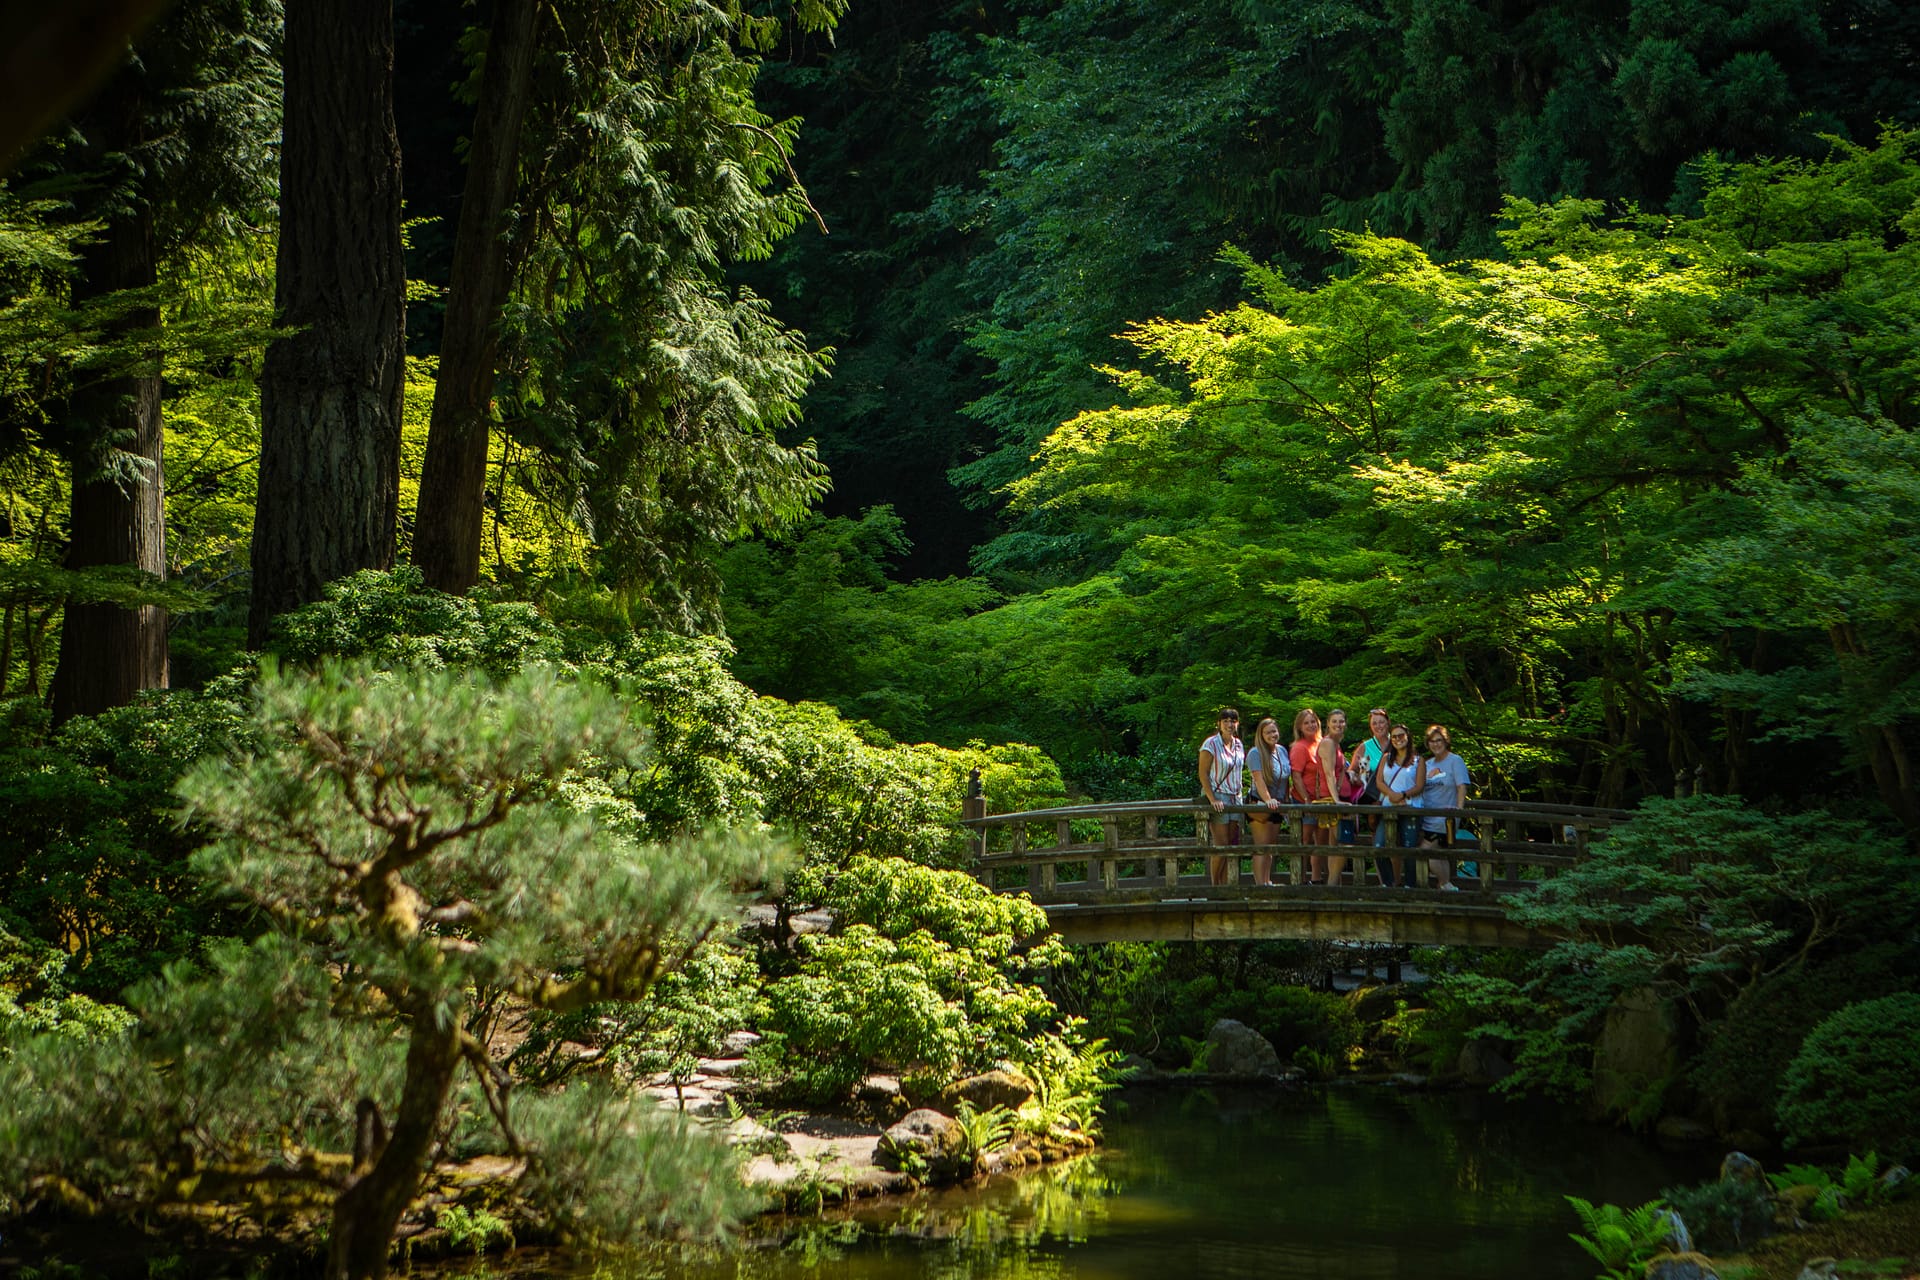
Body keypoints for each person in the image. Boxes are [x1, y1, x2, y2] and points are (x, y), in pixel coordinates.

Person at [1289, 708, 1341, 886]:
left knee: (1322, 840)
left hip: (1322, 799)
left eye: (1313, 721)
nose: (1311, 725)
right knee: (1305, 840)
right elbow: (1296, 776)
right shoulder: (1299, 747)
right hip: (1305, 800)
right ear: (1300, 727)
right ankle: (1300, 879)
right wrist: (1306, 800)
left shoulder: (1322, 742)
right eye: (1306, 723)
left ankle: (1317, 878)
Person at [1419, 724, 1473, 890]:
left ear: (1446, 741)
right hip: (1427, 816)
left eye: (1439, 740)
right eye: (1432, 741)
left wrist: (1459, 808)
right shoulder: (1427, 764)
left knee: (1426, 850)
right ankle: (1445, 886)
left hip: (1445, 817)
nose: (1436, 744)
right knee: (1439, 855)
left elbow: (1461, 786)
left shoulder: (1455, 760)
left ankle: (1446, 884)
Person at [1373, 722, 1424, 887]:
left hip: (1411, 807)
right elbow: (1379, 781)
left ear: (1408, 737)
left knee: (1409, 847)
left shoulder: (1418, 760)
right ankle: (1388, 883)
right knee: (1379, 845)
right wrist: (1391, 794)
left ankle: (1410, 884)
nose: (1397, 739)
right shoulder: (1386, 757)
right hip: (1388, 807)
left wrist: (1402, 794)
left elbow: (1419, 785)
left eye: (1401, 735)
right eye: (1394, 736)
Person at [1198, 708, 1245, 886]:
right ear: (1219, 723)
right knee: (1221, 843)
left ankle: (1226, 886)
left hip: (1235, 797)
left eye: (1233, 721)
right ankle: (1214, 886)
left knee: (1232, 844)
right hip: (1218, 795)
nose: (1229, 724)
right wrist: (1212, 799)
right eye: (1225, 721)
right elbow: (1203, 774)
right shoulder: (1210, 744)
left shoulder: (1239, 744)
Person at [1244, 716, 1290, 886]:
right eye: (1268, 732)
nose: (1272, 734)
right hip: (1260, 803)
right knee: (1262, 846)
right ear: (1261, 734)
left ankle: (1267, 881)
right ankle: (1259, 885)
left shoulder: (1282, 751)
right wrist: (1268, 799)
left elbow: (1286, 778)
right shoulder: (1255, 753)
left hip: (1278, 803)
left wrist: (1285, 800)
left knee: (1270, 847)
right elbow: (1258, 779)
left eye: (1274, 731)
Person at [1321, 708, 1363, 881]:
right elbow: (1328, 773)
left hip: (1342, 798)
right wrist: (1337, 800)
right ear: (1328, 724)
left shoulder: (1337, 745)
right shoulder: (1328, 743)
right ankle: (1331, 885)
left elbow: (1338, 772)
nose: (1338, 724)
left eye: (1341, 721)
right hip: (1334, 800)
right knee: (1345, 842)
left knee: (1335, 844)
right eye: (1334, 721)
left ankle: (1334, 884)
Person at [1353, 707, 1391, 849]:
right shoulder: (1365, 747)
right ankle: (1382, 871)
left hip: (1395, 799)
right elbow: (1353, 772)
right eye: (1374, 723)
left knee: (1397, 840)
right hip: (1374, 800)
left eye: (1381, 722)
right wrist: (1360, 779)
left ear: (1388, 723)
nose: (1378, 726)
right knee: (1378, 841)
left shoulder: (1397, 743)